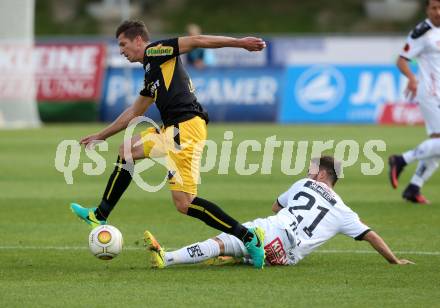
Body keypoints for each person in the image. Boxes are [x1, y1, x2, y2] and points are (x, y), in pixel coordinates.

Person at [70, 20, 267, 268]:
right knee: (127, 149)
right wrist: (102, 135)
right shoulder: (151, 72)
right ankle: (99, 215)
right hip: (171, 130)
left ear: (139, 40)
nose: (121, 50)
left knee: (185, 203)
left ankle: (249, 238)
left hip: (185, 128)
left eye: (123, 44)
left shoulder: (156, 51)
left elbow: (196, 41)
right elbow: (134, 111)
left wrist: (239, 43)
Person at [144, 156, 414, 268]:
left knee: (222, 240)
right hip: (286, 256)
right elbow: (371, 235)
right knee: (238, 253)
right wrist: (394, 260)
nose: (308, 172)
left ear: (321, 174)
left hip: (274, 229)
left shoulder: (305, 183)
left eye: (312, 169)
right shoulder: (343, 210)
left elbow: (276, 207)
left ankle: (167, 258)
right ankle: (240, 256)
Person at [389, 0, 440, 204]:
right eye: (434, 8)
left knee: (437, 144)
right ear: (427, 10)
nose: (438, 11)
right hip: (429, 93)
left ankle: (413, 187)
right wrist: (411, 78)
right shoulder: (422, 32)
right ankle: (401, 160)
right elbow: (401, 60)